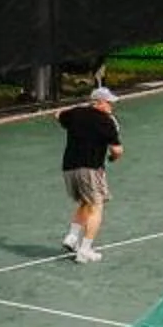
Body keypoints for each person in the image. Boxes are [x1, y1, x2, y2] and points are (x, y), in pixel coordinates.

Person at [57, 87, 123, 264]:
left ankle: (72, 237)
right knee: (96, 207)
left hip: (69, 168)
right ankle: (85, 250)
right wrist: (113, 157)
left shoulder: (75, 114)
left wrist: (80, 111)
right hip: (90, 168)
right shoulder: (106, 121)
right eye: (109, 103)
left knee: (86, 202)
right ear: (99, 102)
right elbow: (117, 150)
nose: (111, 107)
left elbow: (58, 115)